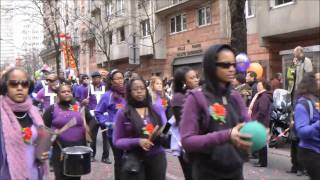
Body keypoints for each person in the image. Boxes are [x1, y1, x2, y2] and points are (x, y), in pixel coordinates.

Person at [180, 44, 251, 180]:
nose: (231, 69)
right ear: (212, 66)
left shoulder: (235, 96)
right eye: (225, 65)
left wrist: (257, 132)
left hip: (235, 171)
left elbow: (246, 125)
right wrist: (227, 135)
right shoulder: (195, 98)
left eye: (233, 64)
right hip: (207, 173)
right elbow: (187, 141)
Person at [113, 77, 168, 180]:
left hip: (157, 158)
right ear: (129, 92)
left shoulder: (156, 109)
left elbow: (167, 126)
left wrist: (162, 133)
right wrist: (138, 141)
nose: (139, 91)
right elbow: (117, 141)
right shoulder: (123, 113)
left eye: (142, 88)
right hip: (135, 159)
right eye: (135, 89)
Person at [0, 68, 48, 179]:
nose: (20, 88)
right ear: (5, 86)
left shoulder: (34, 112)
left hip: (34, 175)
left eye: (24, 84)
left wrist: (44, 154)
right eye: (14, 84)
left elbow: (39, 144)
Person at [42, 83, 93, 180]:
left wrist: (88, 130)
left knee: (76, 176)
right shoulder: (51, 109)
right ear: (58, 95)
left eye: (68, 91)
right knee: (61, 176)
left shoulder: (79, 106)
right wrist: (53, 133)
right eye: (63, 92)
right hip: (60, 150)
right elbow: (43, 128)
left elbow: (92, 120)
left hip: (78, 149)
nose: (66, 93)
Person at [95, 69, 126, 180]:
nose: (120, 80)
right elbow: (98, 112)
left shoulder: (128, 93)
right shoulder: (107, 96)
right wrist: (106, 122)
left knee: (129, 160)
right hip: (115, 134)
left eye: (121, 78)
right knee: (119, 161)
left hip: (130, 133)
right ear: (112, 81)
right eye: (117, 78)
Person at [287, 46, 313, 176]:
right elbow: (290, 78)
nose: (295, 56)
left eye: (295, 54)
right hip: (295, 93)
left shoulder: (307, 61)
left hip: (302, 93)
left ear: (300, 53)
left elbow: (308, 76)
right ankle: (295, 165)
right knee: (293, 130)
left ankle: (302, 166)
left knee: (299, 131)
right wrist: (293, 67)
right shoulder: (295, 63)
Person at [170, 66, 199, 180]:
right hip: (188, 143)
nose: (196, 80)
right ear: (183, 82)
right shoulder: (178, 98)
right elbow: (182, 123)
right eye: (192, 78)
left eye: (196, 77)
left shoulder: (196, 93)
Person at [294, 72, 320, 180]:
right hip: (312, 152)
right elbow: (302, 132)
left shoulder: (317, 101)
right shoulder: (303, 104)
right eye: (318, 79)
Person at [86, 71, 110, 163]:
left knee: (106, 137)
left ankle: (105, 157)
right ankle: (92, 155)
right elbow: (83, 101)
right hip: (93, 115)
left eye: (98, 77)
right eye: (94, 77)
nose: (96, 79)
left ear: (100, 78)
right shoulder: (88, 88)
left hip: (104, 115)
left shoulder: (106, 87)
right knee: (93, 137)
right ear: (92, 79)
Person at [248, 80, 273, 167]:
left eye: (260, 85)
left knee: (262, 142)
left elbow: (262, 111)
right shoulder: (262, 96)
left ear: (264, 86)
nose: (258, 86)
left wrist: (256, 120)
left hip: (261, 122)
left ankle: (263, 162)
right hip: (261, 121)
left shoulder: (264, 97)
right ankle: (261, 161)